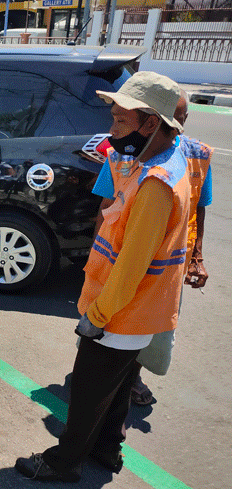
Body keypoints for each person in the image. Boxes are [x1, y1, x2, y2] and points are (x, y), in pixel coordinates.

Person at [15, 71, 191, 482]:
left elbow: (132, 265)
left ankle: (63, 463)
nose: (112, 131)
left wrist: (97, 314)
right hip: (136, 310)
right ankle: (108, 450)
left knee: (89, 394)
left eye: (120, 122)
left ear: (151, 123)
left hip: (120, 312)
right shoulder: (160, 160)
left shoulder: (155, 183)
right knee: (117, 387)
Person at [92, 89, 213, 406]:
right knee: (110, 332)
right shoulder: (121, 155)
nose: (179, 124)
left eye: (183, 117)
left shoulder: (195, 157)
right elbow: (107, 206)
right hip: (123, 266)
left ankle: (127, 380)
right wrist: (95, 260)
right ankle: (109, 382)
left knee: (143, 331)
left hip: (162, 269)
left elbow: (199, 207)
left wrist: (197, 256)